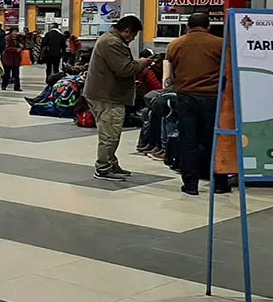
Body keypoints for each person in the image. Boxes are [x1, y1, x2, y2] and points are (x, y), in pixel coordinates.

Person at [83, 15, 152, 182]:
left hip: (104, 93)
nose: (133, 39)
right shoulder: (112, 43)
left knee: (110, 132)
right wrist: (142, 63)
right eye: (133, 35)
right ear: (126, 31)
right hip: (107, 96)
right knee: (110, 134)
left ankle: (111, 163)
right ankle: (103, 168)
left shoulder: (110, 40)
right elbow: (124, 69)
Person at [166, 11, 228, 196]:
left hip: (186, 98)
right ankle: (219, 182)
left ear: (188, 26)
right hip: (212, 98)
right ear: (208, 26)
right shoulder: (220, 44)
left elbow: (171, 73)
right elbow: (227, 71)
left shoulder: (175, 44)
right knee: (214, 140)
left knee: (188, 141)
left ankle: (191, 184)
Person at [2, 27, 22, 91]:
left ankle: (17, 87)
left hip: (16, 59)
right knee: (6, 74)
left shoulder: (18, 39)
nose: (15, 33)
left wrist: (21, 46)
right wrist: (15, 49)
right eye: (14, 31)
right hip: (8, 59)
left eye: (16, 31)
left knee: (16, 74)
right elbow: (6, 48)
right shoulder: (7, 38)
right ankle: (4, 85)